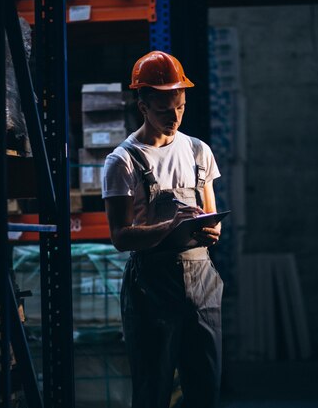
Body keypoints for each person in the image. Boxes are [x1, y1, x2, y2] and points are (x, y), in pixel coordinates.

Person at [101, 50, 223, 408]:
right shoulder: (122, 161)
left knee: (205, 390)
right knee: (153, 391)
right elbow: (120, 236)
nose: (175, 117)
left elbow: (211, 217)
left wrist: (210, 231)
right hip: (152, 288)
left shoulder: (199, 151)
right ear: (143, 106)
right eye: (164, 110)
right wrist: (171, 226)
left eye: (181, 107)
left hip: (203, 283)